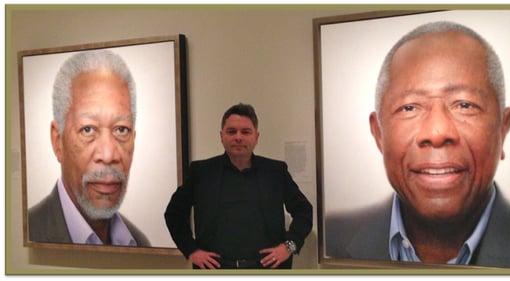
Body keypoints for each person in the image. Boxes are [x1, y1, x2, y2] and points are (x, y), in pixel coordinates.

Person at [326, 21, 510, 268]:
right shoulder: (333, 238)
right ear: (378, 133)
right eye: (409, 107)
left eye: (464, 104)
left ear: (503, 129)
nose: (437, 132)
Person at [164, 103, 313, 269]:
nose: (238, 137)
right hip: (215, 270)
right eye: (231, 131)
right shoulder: (201, 172)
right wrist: (191, 250)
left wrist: (289, 247)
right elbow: (174, 214)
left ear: (256, 137)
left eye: (246, 131)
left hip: (268, 269)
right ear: (221, 136)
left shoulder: (275, 172)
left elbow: (304, 211)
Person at [28, 50, 150, 247]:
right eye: (87, 130)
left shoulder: (139, 242)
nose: (108, 155)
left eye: (121, 130)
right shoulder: (29, 231)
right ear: (57, 141)